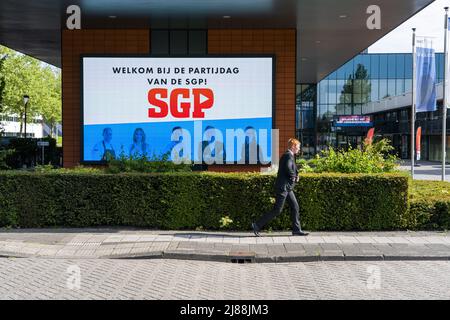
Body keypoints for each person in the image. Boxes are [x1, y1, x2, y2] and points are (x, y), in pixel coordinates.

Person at [252, 138, 309, 236]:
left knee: (295, 206)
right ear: (293, 146)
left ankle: (296, 230)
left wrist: (296, 174)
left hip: (287, 188)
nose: (299, 149)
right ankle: (257, 225)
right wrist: (294, 177)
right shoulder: (288, 156)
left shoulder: (289, 155)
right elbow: (288, 167)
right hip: (283, 187)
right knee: (277, 210)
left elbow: (291, 168)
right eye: (298, 147)